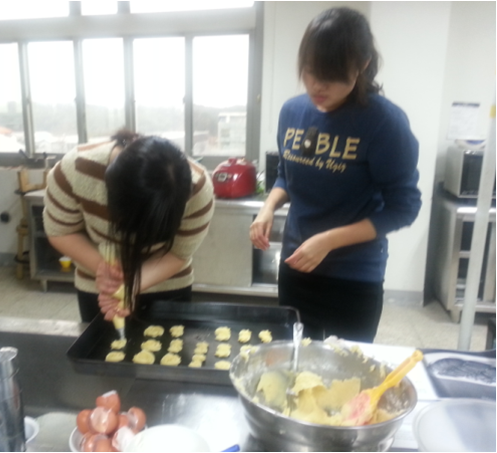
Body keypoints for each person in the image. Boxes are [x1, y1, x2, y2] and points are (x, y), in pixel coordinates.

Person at [250, 7, 421, 343]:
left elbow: (404, 208)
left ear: (363, 65)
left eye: (333, 74)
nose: (318, 85)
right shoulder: (293, 111)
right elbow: (286, 174)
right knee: (295, 359)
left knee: (347, 365)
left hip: (354, 276)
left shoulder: (384, 122)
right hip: (297, 264)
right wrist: (268, 207)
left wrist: (329, 241)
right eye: (310, 71)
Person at [43, 130, 214, 322]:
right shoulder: (75, 169)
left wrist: (129, 287)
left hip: (168, 283)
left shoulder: (198, 189)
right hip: (100, 288)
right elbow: (61, 231)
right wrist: (105, 271)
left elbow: (178, 253)